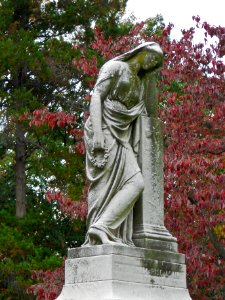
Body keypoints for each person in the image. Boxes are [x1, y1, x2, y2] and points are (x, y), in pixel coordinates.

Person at [83, 42, 164, 246]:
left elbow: (151, 112)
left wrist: (152, 77)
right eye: (152, 57)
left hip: (123, 134)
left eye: (156, 62)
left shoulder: (140, 81)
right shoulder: (115, 67)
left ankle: (102, 226)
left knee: (136, 183)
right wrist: (99, 133)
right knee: (105, 186)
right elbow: (96, 97)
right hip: (105, 129)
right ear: (141, 51)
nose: (152, 62)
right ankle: (98, 232)